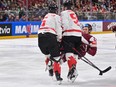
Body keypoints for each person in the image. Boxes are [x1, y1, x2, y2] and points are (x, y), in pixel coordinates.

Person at [38, 4, 63, 82]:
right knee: (56, 57)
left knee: (48, 54)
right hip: (50, 36)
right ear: (56, 10)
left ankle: (49, 65)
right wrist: (60, 38)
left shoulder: (46, 16)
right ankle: (57, 75)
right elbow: (58, 29)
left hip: (40, 37)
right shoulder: (56, 16)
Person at [60, 0, 82, 82]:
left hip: (70, 35)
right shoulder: (74, 13)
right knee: (75, 54)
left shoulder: (64, 13)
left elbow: (64, 24)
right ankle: (72, 71)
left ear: (64, 6)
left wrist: (61, 33)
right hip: (78, 35)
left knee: (68, 54)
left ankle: (73, 70)